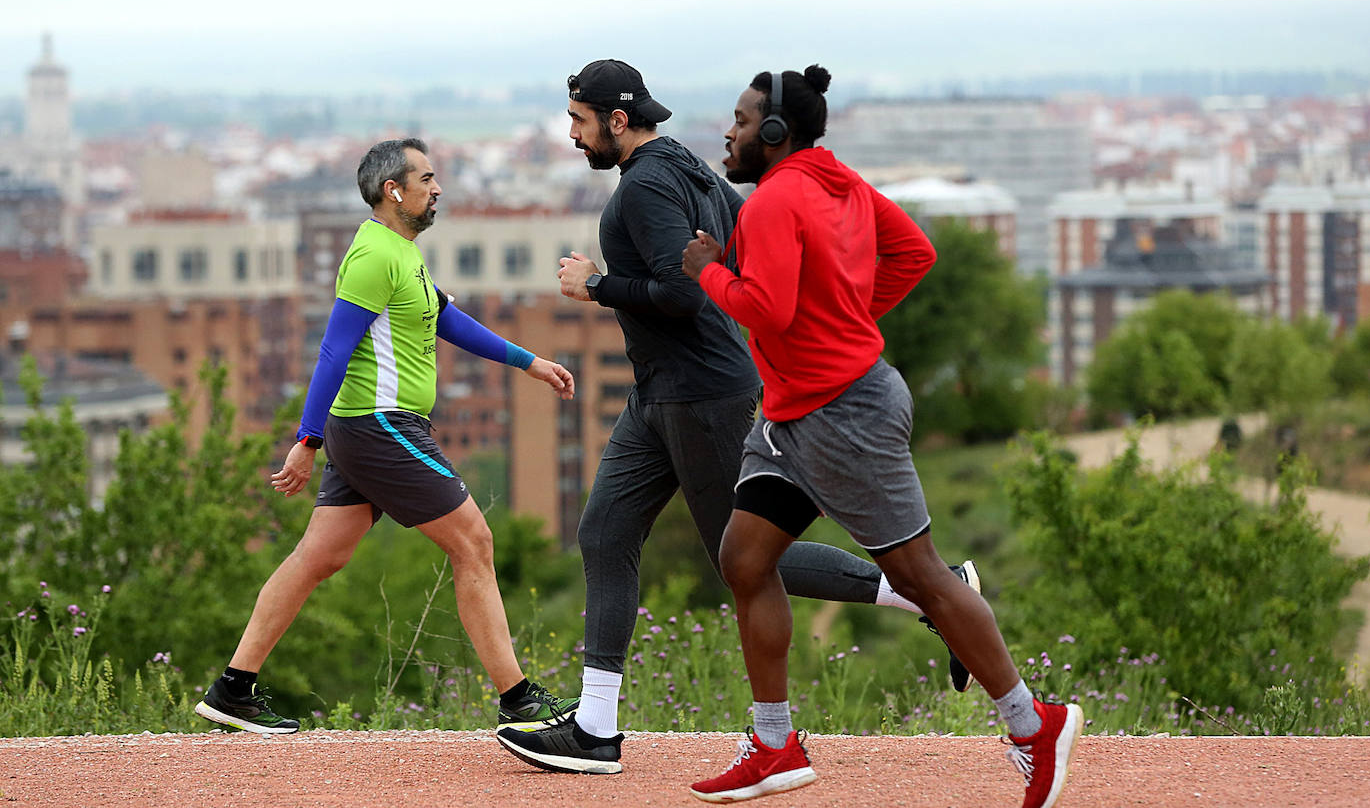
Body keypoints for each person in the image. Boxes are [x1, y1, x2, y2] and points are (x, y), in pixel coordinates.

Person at [495, 60, 980, 776]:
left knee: (747, 554)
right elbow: (733, 241)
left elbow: (684, 292)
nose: (572, 135)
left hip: (701, 393)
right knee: (604, 530)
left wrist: (595, 285)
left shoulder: (648, 187)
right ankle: (595, 726)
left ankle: (934, 593)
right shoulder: (686, 167)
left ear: (616, 121)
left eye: (578, 121)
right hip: (661, 391)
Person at [680, 68, 1082, 807]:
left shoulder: (774, 202)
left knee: (923, 575)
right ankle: (775, 744)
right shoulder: (840, 185)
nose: (728, 134)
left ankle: (1035, 724)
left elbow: (763, 310)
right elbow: (914, 253)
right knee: (744, 557)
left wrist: (708, 270)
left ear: (775, 133)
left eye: (739, 120)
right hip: (793, 413)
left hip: (842, 416)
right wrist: (845, 317)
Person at [195, 138, 579, 735]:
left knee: (318, 557)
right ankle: (518, 699)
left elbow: (443, 316)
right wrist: (307, 438)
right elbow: (333, 349)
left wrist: (528, 362)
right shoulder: (374, 256)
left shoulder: (401, 253)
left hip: (370, 427)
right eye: (426, 178)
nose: (437, 188)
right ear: (392, 191)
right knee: (473, 542)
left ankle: (232, 689)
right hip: (378, 425)